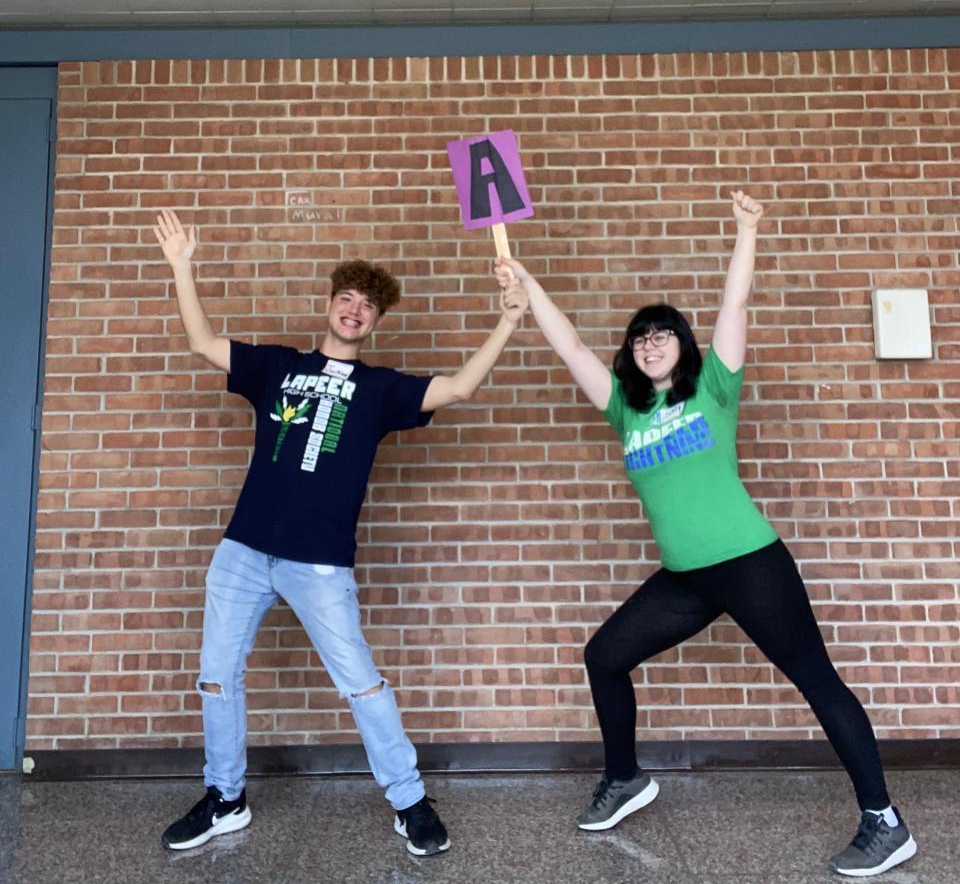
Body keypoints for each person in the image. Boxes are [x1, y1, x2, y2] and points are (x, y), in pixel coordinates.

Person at [496, 191, 916, 878]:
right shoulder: (625, 410)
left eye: (663, 333)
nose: (650, 343)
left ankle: (884, 821)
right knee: (605, 657)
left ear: (683, 345)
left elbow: (734, 305)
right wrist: (527, 282)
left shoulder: (714, 388)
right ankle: (625, 778)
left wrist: (746, 231)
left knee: (816, 680)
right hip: (686, 578)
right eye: (640, 337)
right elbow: (568, 344)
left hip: (750, 563)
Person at [154, 209, 528, 857]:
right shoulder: (276, 366)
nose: (355, 311)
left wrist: (509, 319)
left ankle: (409, 801)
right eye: (347, 298)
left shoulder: (380, 389)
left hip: (320, 563)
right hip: (242, 552)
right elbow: (203, 343)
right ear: (329, 304)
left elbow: (462, 388)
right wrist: (183, 267)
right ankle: (225, 797)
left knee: (361, 682)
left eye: (368, 306)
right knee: (216, 677)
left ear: (376, 321)